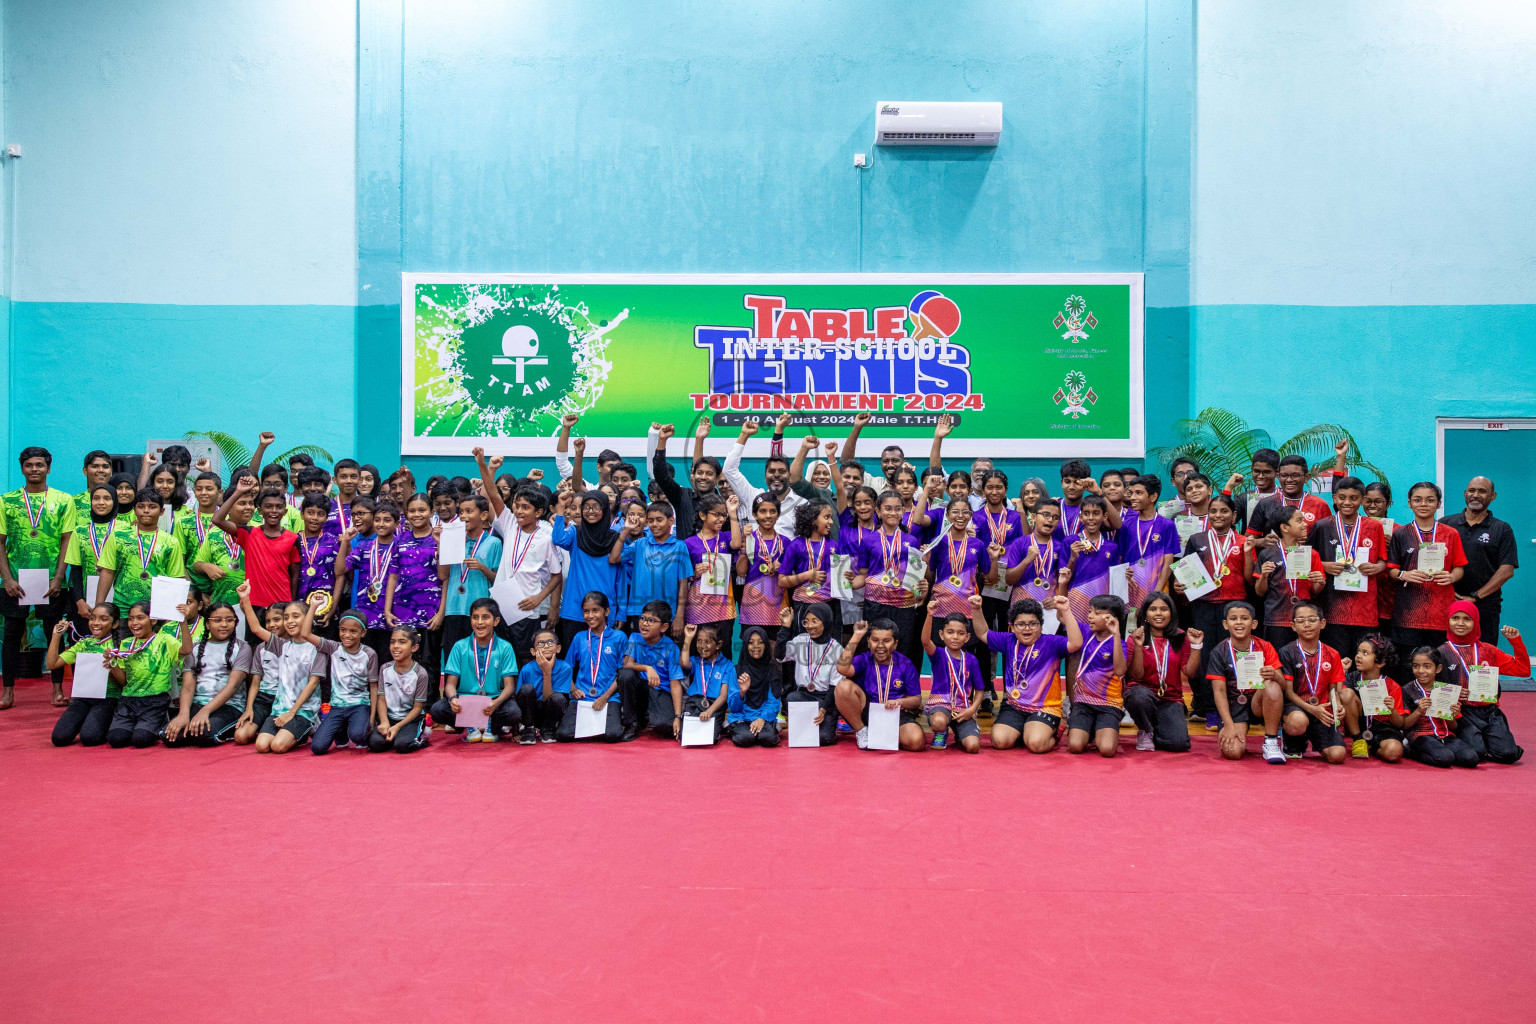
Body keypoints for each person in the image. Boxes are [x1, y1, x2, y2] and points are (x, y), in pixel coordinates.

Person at [1, 447, 76, 708]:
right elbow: (0, 542)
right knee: (12, 633)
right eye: (30, 465)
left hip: (52, 581)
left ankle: (57, 690)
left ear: (49, 468)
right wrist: (7, 579)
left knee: (54, 632)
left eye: (40, 465)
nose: (35, 469)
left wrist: (58, 577)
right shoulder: (6, 500)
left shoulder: (64, 500)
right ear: (22, 468)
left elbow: (67, 539)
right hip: (15, 581)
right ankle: (8, 692)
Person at [474, 450, 564, 661]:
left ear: (539, 513)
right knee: (499, 658)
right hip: (501, 606)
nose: (519, 511)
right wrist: (484, 465)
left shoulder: (545, 538)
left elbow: (556, 575)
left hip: (527, 610)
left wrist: (540, 598)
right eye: (517, 506)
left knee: (524, 658)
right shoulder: (509, 523)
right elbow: (493, 494)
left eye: (526, 508)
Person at [971, 594, 1082, 753]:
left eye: (1032, 624)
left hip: (1044, 708)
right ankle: (1027, 730)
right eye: (1021, 624)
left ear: (1041, 625)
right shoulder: (1008, 641)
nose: (1027, 628)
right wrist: (976, 609)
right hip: (1014, 706)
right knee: (999, 741)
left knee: (1036, 744)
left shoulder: (1051, 643)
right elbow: (983, 633)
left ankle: (1052, 733)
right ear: (1012, 626)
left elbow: (1076, 643)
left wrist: (1066, 610)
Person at [1177, 494, 1247, 727]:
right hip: (1203, 605)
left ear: (1234, 515)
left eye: (1224, 511)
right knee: (1206, 657)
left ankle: (1239, 708)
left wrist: (1247, 552)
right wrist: (1179, 585)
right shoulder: (1197, 539)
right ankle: (1210, 710)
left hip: (1234, 605)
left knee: (1234, 656)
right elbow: (1186, 572)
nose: (1218, 515)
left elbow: (1248, 577)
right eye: (1214, 511)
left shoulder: (1242, 542)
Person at [1386, 482, 1467, 671]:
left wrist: (1451, 577)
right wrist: (1404, 574)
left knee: (1441, 664)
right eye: (1418, 500)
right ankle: (1410, 700)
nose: (1424, 504)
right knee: (1408, 665)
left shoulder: (1451, 534)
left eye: (1430, 500)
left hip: (1441, 612)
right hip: (1408, 612)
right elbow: (1391, 571)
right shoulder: (1401, 534)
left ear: (1438, 504)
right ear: (1409, 504)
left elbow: (1459, 568)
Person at [1309, 476, 1389, 660]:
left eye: (1353, 498)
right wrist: (1323, 566)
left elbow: (1383, 561)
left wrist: (1377, 567)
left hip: (1365, 608)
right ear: (1335, 498)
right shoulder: (1322, 526)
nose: (1347, 502)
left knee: (1365, 659)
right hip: (1333, 605)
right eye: (1342, 497)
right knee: (1337, 659)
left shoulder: (1374, 527)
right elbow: (1307, 561)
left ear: (1362, 500)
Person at [1438, 599, 1526, 764]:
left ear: (1476, 622)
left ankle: (1492, 741)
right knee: (1477, 752)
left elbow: (1522, 670)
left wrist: (1516, 642)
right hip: (1462, 713)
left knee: (1508, 754)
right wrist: (1454, 694)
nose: (1460, 623)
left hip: (1489, 711)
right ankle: (1460, 738)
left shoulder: (1488, 650)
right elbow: (1430, 688)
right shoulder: (1440, 653)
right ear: (1447, 621)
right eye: (1455, 618)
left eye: (1467, 619)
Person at [210, 477, 299, 635]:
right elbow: (217, 519)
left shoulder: (293, 539)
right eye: (268, 507)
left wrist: (291, 605)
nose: (273, 511)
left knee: (281, 648)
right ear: (259, 511)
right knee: (255, 649)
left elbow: (295, 576)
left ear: (285, 511)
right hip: (255, 604)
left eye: (279, 507)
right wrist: (238, 492)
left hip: (282, 604)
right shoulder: (249, 533)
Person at [103, 599, 197, 748]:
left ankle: (156, 725)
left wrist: (183, 622)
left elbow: (186, 650)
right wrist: (113, 663)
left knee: (141, 740)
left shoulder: (164, 640)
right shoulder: (126, 643)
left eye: (140, 618)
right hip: (128, 701)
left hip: (155, 701)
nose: (134, 623)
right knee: (116, 739)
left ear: (153, 620)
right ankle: (140, 726)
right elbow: (123, 681)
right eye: (131, 619)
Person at [1204, 601, 1287, 763]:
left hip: (1260, 703)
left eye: (1244, 618)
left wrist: (1274, 675)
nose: (1239, 622)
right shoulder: (1218, 652)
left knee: (1272, 684)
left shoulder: (1265, 647)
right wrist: (1228, 724)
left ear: (1254, 623)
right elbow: (1218, 692)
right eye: (1233, 619)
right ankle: (1236, 728)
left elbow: (1282, 685)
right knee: (1232, 752)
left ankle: (1271, 742)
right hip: (1235, 706)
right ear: (1225, 624)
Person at [431, 597, 520, 743]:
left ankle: (492, 725)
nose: (479, 622)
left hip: (493, 701)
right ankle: (469, 724)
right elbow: (450, 684)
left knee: (513, 712)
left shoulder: (505, 647)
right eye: (475, 617)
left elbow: (509, 686)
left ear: (496, 621)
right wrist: (453, 699)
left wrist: (496, 703)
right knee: (437, 710)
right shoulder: (460, 646)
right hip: (465, 702)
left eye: (485, 617)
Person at [163, 601, 252, 747]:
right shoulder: (196, 648)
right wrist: (183, 714)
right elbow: (188, 686)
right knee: (172, 737)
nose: (224, 624)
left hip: (229, 706)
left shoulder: (242, 648)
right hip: (198, 704)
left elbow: (232, 686)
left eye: (229, 620)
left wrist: (206, 711)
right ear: (207, 624)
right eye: (217, 620)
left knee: (202, 734)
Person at [1443, 477, 1519, 641]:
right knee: (1446, 658)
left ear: (1493, 496)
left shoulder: (1502, 529)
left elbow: (1507, 570)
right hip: (1448, 603)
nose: (1476, 495)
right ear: (1465, 494)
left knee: (1483, 660)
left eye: (1482, 491)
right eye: (1472, 490)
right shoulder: (1446, 524)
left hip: (1485, 606)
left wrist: (1475, 596)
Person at [858, 492, 927, 668]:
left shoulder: (911, 540)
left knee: (903, 646)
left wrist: (922, 582)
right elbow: (863, 574)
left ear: (903, 511)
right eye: (887, 509)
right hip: (875, 604)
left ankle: (900, 688)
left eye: (897, 509)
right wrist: (843, 584)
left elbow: (915, 578)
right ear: (878, 511)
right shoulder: (868, 540)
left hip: (903, 605)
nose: (893, 513)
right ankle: (875, 686)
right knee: (875, 645)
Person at [1275, 601, 1349, 763]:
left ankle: (1315, 737)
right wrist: (1312, 709)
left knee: (1337, 755)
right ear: (1293, 626)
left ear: (1322, 623)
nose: (1306, 625)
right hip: (1296, 707)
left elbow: (1333, 690)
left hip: (1322, 710)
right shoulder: (1287, 652)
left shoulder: (1333, 654)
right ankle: (1293, 739)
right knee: (1298, 722)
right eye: (1300, 621)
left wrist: (1338, 705)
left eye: (1311, 620)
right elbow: (1288, 692)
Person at [300, 604, 380, 754]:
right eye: (343, 630)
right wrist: (313, 607)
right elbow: (305, 634)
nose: (347, 635)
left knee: (358, 735)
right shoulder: (333, 648)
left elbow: (374, 686)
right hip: (336, 706)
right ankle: (341, 735)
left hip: (360, 705)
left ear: (363, 633)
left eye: (353, 631)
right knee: (317, 748)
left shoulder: (369, 654)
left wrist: (372, 716)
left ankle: (360, 734)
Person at [834, 618, 924, 751]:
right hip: (868, 711)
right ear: (869, 642)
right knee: (843, 686)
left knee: (916, 741)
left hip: (894, 712)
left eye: (887, 641)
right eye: (875, 640)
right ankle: (862, 731)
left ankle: (881, 735)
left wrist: (899, 702)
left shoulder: (905, 664)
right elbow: (842, 668)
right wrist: (857, 635)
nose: (880, 646)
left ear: (895, 644)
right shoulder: (864, 659)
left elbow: (917, 700)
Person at [384, 493, 447, 683]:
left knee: (429, 661)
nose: (416, 514)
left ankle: (427, 709)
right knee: (403, 659)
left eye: (422, 510)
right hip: (402, 611)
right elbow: (392, 576)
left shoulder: (440, 538)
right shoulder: (399, 539)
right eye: (412, 510)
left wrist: (441, 612)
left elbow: (445, 578)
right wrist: (387, 610)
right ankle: (403, 706)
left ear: (431, 512)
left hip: (431, 613)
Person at [95, 488, 185, 619]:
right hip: (123, 609)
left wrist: (170, 616)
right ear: (134, 509)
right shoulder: (118, 536)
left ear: (162, 511)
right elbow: (108, 571)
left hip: (157, 611)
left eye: (152, 507)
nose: (146, 511)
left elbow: (175, 580)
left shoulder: (171, 542)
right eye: (141, 506)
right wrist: (99, 605)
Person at [548, 489, 618, 653]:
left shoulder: (615, 538)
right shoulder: (575, 532)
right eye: (586, 507)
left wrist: (616, 612)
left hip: (604, 608)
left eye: (596, 507)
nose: (590, 511)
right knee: (574, 661)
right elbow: (558, 538)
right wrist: (560, 508)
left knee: (602, 660)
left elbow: (619, 579)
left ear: (605, 509)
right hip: (575, 608)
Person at [250, 596, 322, 753]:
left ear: (307, 618)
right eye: (286, 617)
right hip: (279, 710)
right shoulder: (281, 646)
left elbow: (313, 683)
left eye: (296, 616)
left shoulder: (317, 648)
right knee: (261, 746)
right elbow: (256, 628)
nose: (290, 621)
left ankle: (309, 726)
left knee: (278, 746)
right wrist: (245, 598)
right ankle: (293, 732)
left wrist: (292, 713)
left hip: (303, 710)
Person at [1125, 593, 1195, 752]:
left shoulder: (1181, 637)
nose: (1158, 613)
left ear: (1171, 613)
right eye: (1153, 609)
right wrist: (1138, 646)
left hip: (1170, 698)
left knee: (1178, 744)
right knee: (1138, 696)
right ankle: (1145, 729)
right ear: (1145, 615)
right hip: (1143, 695)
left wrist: (1197, 647)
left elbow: (1190, 673)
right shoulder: (1136, 637)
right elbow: (1136, 676)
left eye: (1164, 609)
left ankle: (1156, 729)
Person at [610, 501, 690, 636]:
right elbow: (614, 558)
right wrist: (625, 531)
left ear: (671, 521)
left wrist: (679, 616)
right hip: (638, 611)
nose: (655, 524)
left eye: (659, 520)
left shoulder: (680, 546)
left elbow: (683, 583)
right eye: (651, 521)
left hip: (667, 614)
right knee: (637, 654)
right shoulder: (639, 544)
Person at [46, 603, 121, 746]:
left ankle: (104, 724)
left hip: (108, 699)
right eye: (93, 618)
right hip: (83, 699)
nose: (96, 623)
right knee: (59, 738)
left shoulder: (120, 646)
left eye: (103, 619)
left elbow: (124, 681)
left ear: (115, 624)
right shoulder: (84, 643)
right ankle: (89, 721)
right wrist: (56, 636)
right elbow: (52, 664)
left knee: (89, 738)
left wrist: (112, 666)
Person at [440, 494, 502, 667]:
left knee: (475, 657)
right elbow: (443, 575)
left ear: (483, 515)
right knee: (452, 656)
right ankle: (452, 694)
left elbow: (499, 580)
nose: (463, 516)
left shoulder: (493, 543)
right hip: (453, 608)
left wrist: (482, 568)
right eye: (461, 512)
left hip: (478, 611)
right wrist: (441, 544)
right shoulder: (452, 540)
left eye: (469, 511)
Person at [1253, 506, 1326, 649]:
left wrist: (1320, 582)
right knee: (1277, 660)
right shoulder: (1267, 554)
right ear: (1285, 528)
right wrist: (1263, 576)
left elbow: (1315, 592)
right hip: (1276, 618)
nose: (1305, 524)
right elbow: (1260, 592)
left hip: (1304, 621)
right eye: (1299, 521)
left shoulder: (1311, 554)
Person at [1066, 595, 1129, 757]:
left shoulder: (1120, 644)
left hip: (1109, 704)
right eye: (1090, 611)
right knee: (1075, 746)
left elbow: (1120, 671)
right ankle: (1089, 728)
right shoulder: (1085, 632)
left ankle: (1100, 727)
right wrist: (1063, 589)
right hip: (1083, 703)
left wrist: (1116, 635)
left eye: (1096, 613)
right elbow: (1062, 617)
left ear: (1111, 618)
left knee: (1107, 750)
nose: (1090, 616)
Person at [338, 500, 400, 663]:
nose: (381, 524)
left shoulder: (401, 547)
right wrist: (345, 541)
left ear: (397, 523)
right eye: (377, 520)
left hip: (393, 614)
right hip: (366, 613)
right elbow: (340, 570)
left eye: (387, 520)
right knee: (366, 662)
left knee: (388, 661)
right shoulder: (364, 547)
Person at [558, 592, 626, 743]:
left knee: (613, 735)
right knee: (563, 734)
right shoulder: (580, 637)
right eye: (586, 611)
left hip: (609, 697)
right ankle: (594, 728)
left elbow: (622, 673)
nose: (590, 615)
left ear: (606, 611)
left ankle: (612, 719)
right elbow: (566, 669)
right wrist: (573, 689)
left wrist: (605, 697)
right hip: (583, 697)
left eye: (596, 610)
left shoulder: (619, 637)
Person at [1245, 444, 1346, 541]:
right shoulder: (1265, 504)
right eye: (1284, 475)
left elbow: (1329, 539)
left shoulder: (1320, 505)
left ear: (1306, 477)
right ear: (1278, 476)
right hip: (1275, 558)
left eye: (1295, 475)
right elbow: (1250, 539)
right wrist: (1262, 542)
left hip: (1310, 557)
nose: (1289, 480)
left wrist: (1311, 540)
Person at [682, 494, 742, 658]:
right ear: (702, 515)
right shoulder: (689, 543)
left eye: (723, 515)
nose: (721, 519)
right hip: (698, 607)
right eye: (716, 514)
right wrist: (694, 573)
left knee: (724, 651)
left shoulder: (726, 536)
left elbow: (737, 544)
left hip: (723, 608)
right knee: (698, 651)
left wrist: (732, 512)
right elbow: (683, 577)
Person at [920, 603, 984, 753]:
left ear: (967, 637)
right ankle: (941, 731)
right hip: (941, 705)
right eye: (950, 632)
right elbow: (925, 641)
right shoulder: (938, 655)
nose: (955, 637)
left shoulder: (972, 660)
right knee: (939, 721)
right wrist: (930, 614)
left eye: (960, 633)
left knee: (973, 746)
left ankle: (960, 735)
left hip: (963, 709)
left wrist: (972, 710)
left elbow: (980, 690)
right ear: (942, 635)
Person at [724, 417, 805, 535]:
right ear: (765, 475)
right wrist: (744, 435)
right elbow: (729, 469)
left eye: (782, 471)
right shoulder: (753, 496)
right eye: (771, 471)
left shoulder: (801, 504)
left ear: (789, 476)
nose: (776, 475)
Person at [778, 603, 844, 746]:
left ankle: (827, 726)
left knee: (824, 738)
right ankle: (805, 727)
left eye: (815, 621)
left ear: (825, 621)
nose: (809, 626)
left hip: (826, 698)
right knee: (791, 698)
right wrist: (785, 626)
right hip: (804, 696)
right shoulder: (800, 640)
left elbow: (835, 687)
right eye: (806, 621)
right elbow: (779, 654)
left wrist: (824, 709)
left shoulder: (837, 649)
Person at [1401, 647, 1477, 768]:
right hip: (1421, 735)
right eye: (1416, 666)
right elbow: (1404, 725)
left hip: (1446, 735)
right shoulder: (1407, 690)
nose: (1420, 671)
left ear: (1438, 668)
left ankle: (1439, 750)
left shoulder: (1447, 690)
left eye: (1427, 666)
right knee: (1445, 758)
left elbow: (1454, 726)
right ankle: (1412, 751)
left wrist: (1451, 715)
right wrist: (1419, 711)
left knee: (1471, 758)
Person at [620, 600, 686, 740]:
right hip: (640, 688)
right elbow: (626, 664)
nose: (644, 623)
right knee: (626, 675)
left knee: (665, 726)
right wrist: (647, 668)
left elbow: (675, 684)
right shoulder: (634, 638)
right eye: (642, 618)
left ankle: (648, 717)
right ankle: (632, 723)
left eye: (651, 620)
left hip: (660, 690)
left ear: (664, 627)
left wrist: (677, 716)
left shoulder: (671, 648)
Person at [1114, 475, 1179, 607]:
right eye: (1131, 493)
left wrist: (1156, 592)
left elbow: (1168, 563)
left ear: (1153, 497)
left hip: (1158, 590)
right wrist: (1123, 575)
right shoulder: (1125, 525)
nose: (1132, 497)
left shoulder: (1167, 525)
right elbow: (1119, 559)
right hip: (1130, 589)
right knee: (1131, 625)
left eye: (1139, 493)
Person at [779, 500, 841, 635]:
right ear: (812, 519)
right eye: (826, 517)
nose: (831, 522)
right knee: (804, 644)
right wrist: (807, 576)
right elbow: (782, 581)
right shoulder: (796, 545)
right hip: (804, 605)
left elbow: (841, 584)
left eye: (831, 517)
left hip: (829, 605)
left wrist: (846, 579)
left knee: (830, 645)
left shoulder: (834, 545)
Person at [651, 422, 721, 539]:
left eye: (709, 474)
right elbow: (660, 474)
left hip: (715, 556)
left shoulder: (722, 503)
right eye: (699, 473)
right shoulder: (681, 496)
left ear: (717, 478)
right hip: (685, 556)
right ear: (693, 475)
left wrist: (699, 439)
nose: (703, 477)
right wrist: (662, 441)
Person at [1343, 634, 1407, 763]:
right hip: (1358, 726)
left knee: (1394, 752)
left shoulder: (1392, 686)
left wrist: (1392, 709)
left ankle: (1372, 749)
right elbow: (1338, 698)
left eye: (1365, 653)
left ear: (1380, 662)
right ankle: (1358, 741)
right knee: (1346, 694)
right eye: (1358, 652)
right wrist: (1342, 672)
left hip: (1382, 728)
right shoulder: (1351, 678)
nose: (1358, 656)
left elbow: (1399, 723)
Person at [367, 626, 431, 752]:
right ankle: (396, 735)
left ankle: (423, 734)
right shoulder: (384, 669)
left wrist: (397, 727)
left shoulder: (420, 673)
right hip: (391, 718)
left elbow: (418, 708)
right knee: (374, 744)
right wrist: (385, 722)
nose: (396, 646)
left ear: (414, 647)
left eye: (402, 642)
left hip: (410, 720)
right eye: (393, 642)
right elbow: (381, 699)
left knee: (402, 746)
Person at [513, 626, 573, 744]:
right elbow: (518, 699)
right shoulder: (527, 669)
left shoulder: (565, 668)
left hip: (550, 712)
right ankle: (529, 729)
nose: (546, 646)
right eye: (540, 643)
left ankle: (548, 728)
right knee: (526, 689)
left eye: (550, 642)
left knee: (558, 697)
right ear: (533, 651)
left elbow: (549, 699)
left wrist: (547, 672)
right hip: (530, 712)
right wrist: (515, 732)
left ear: (558, 648)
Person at [737, 495, 788, 632]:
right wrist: (744, 542)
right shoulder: (749, 539)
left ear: (778, 514)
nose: (768, 516)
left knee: (775, 647)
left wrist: (782, 566)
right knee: (753, 646)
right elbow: (741, 572)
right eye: (762, 511)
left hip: (779, 602)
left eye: (772, 511)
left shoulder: (786, 542)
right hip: (753, 603)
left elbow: (792, 574)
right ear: (755, 514)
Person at [677, 623, 732, 743]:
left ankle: (721, 724)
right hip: (694, 702)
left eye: (707, 642)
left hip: (714, 705)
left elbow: (723, 695)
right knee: (684, 736)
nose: (702, 646)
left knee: (709, 738)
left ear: (719, 645)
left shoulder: (727, 665)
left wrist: (709, 711)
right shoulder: (696, 661)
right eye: (699, 641)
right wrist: (688, 638)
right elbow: (684, 663)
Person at [728, 626, 782, 747]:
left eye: (760, 642)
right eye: (751, 643)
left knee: (768, 739)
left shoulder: (772, 670)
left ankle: (770, 727)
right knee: (745, 738)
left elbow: (774, 702)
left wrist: (762, 719)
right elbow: (733, 707)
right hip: (741, 716)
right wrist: (742, 692)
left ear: (766, 645)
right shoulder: (736, 670)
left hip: (763, 716)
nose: (756, 646)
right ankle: (733, 727)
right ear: (745, 646)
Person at [839, 410, 908, 493]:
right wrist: (857, 428)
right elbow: (846, 463)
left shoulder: (916, 490)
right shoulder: (874, 484)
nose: (890, 465)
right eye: (885, 461)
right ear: (881, 464)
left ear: (903, 462)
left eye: (895, 460)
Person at [73, 450, 115, 524]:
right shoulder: (74, 502)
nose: (101, 470)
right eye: (95, 466)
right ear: (85, 471)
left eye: (105, 467)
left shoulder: (120, 500)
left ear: (111, 472)